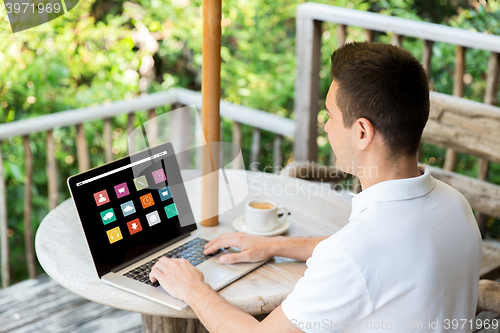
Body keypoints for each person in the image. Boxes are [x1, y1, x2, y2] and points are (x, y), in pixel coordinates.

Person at [149, 42, 481, 332]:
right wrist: (274, 246)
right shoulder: (454, 206)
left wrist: (193, 288)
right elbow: (377, 256)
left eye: (330, 115)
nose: (325, 126)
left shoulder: (356, 252)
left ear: (362, 132)